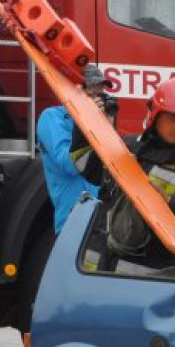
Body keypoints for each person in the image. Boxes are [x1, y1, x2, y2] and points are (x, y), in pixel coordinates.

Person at [73, 76, 175, 270]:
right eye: (173, 119)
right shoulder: (127, 148)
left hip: (149, 284)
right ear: (155, 115)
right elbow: (85, 166)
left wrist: (168, 204)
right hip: (95, 271)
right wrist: (85, 123)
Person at [39, 64, 116, 234]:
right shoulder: (52, 117)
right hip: (72, 221)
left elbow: (113, 169)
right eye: (92, 92)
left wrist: (107, 127)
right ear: (75, 90)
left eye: (101, 92)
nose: (98, 98)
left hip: (102, 222)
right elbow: (68, 165)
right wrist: (87, 121)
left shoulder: (98, 121)